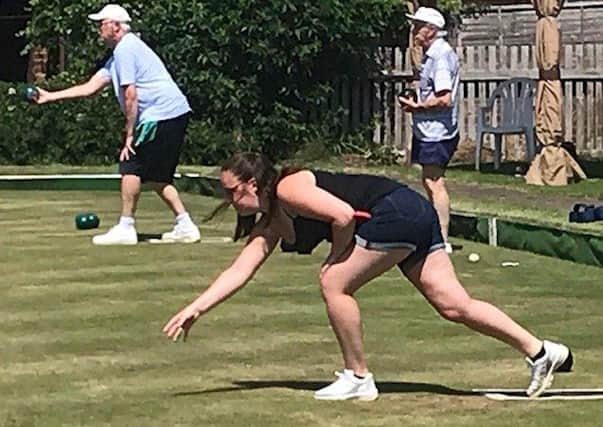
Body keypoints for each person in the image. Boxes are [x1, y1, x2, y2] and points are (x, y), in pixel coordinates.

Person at [163, 152, 573, 401]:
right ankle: (541, 351)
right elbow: (240, 271)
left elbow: (342, 215)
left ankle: (358, 377)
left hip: (394, 210)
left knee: (332, 282)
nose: (228, 199)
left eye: (232, 190)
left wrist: (338, 257)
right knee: (454, 305)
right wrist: (196, 308)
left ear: (253, 183)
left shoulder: (288, 188)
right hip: (413, 211)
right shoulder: (269, 223)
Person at [34, 4, 200, 245]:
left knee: (130, 164)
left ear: (116, 26)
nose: (99, 28)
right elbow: (90, 87)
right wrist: (50, 96)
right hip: (172, 113)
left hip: (160, 114)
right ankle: (185, 226)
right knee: (157, 177)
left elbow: (131, 95)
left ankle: (126, 227)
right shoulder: (118, 55)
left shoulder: (126, 49)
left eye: (102, 23)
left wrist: (129, 135)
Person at [398, 7, 460, 254]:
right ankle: (437, 234)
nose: (414, 30)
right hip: (429, 128)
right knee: (429, 179)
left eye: (418, 26)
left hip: (438, 130)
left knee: (435, 181)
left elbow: (445, 98)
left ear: (431, 30)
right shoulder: (432, 54)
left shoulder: (440, 56)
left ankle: (441, 239)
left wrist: (417, 106)